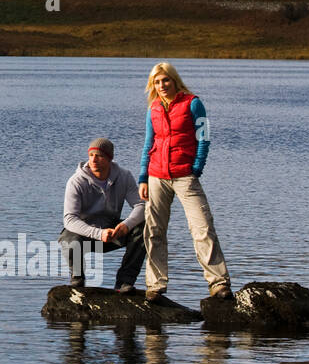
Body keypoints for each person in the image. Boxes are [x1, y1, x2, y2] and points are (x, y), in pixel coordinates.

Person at [138, 62, 232, 302]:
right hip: (157, 176)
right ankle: (155, 286)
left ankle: (218, 283)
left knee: (202, 228)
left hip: (185, 176)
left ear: (174, 80)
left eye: (165, 80)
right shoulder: (154, 108)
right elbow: (149, 144)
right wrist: (143, 177)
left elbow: (205, 138)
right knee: (154, 232)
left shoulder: (193, 103)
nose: (162, 86)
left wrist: (197, 167)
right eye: (157, 82)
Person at [60, 137, 147, 292]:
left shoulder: (124, 176)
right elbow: (69, 219)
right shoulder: (76, 181)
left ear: (109, 158)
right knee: (68, 238)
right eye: (91, 155)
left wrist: (126, 225)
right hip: (86, 234)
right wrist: (98, 233)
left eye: (99, 156)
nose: (94, 160)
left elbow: (141, 206)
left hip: (113, 233)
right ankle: (78, 279)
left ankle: (124, 283)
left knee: (144, 229)